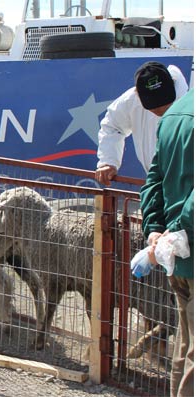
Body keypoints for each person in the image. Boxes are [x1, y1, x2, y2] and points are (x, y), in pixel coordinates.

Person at [140, 89, 193, 397]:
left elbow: (154, 179)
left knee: (185, 346)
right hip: (186, 245)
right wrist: (177, 231)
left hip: (177, 255)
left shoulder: (176, 112)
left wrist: (156, 230)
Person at [95, 61, 188, 186]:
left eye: (164, 102)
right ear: (137, 94)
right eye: (153, 105)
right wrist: (108, 161)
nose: (158, 110)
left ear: (172, 88)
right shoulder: (131, 100)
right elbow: (112, 126)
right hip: (156, 181)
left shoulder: (189, 103)